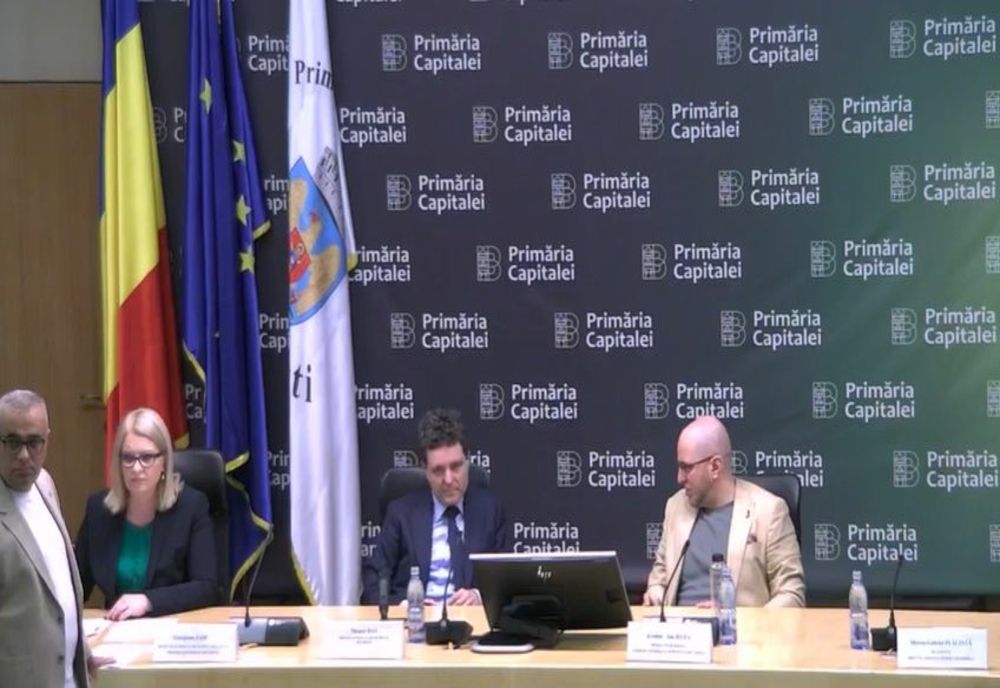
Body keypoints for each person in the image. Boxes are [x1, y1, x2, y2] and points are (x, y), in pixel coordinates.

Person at [0, 389, 111, 687]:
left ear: (47, 439)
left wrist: (78, 648)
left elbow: (56, 583)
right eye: (12, 442)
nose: (24, 455)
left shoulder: (45, 484)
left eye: (34, 442)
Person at [644, 415, 805, 608]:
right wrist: (656, 590)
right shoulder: (675, 506)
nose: (679, 478)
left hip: (738, 627)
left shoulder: (769, 511)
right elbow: (660, 576)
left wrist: (734, 617)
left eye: (686, 468)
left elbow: (792, 594)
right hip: (678, 625)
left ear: (715, 466)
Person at [75, 407, 218, 619]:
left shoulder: (191, 507)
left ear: (164, 461)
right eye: (128, 458)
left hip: (171, 627)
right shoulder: (99, 510)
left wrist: (148, 601)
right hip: (116, 630)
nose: (136, 468)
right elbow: (76, 586)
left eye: (147, 457)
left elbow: (206, 587)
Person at [364, 408, 511, 605]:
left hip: (470, 619)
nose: (449, 479)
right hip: (416, 620)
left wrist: (478, 597)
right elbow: (373, 584)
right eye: (438, 470)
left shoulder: (491, 511)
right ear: (425, 470)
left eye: (456, 467)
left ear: (467, 462)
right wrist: (406, 606)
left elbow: (508, 582)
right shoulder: (401, 513)